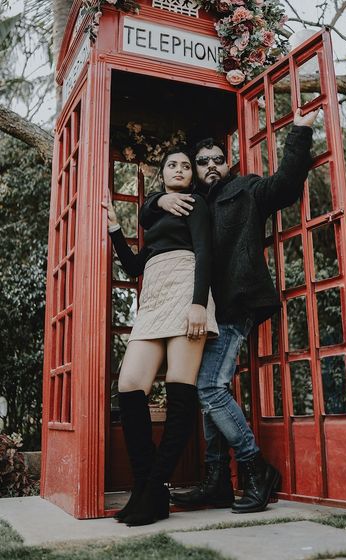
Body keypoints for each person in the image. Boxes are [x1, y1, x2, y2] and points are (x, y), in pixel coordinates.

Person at [139, 108, 319, 514]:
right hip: (201, 311)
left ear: (228, 161)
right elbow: (148, 220)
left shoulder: (247, 190)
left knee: (208, 387)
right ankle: (218, 479)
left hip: (236, 303)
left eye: (217, 159)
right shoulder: (191, 206)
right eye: (201, 162)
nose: (210, 166)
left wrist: (301, 130)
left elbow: (287, 186)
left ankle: (255, 468)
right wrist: (160, 197)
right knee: (207, 391)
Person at [102, 146, 218, 526]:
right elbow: (135, 264)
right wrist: (117, 229)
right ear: (163, 173)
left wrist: (199, 303)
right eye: (173, 164)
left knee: (180, 391)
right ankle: (149, 489)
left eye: (187, 165)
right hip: (153, 297)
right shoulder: (155, 215)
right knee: (129, 385)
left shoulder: (196, 205)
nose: (181, 169)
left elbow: (204, 251)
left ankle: (150, 493)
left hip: (187, 290)